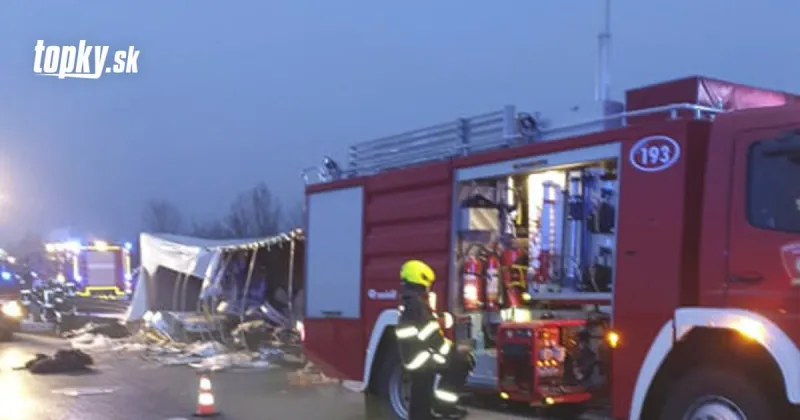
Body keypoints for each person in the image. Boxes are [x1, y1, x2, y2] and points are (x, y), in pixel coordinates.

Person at [395, 260, 473, 420]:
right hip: (421, 356)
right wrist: (453, 350)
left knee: (420, 393)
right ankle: (444, 408)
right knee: (462, 362)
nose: (429, 286)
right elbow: (430, 334)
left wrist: (448, 319)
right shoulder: (417, 303)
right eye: (428, 283)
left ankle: (430, 412)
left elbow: (427, 323)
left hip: (414, 353)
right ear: (420, 279)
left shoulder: (411, 299)